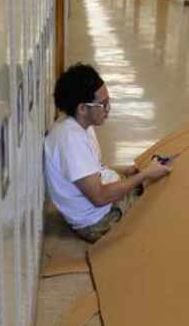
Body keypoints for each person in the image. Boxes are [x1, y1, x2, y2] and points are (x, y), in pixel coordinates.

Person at [44, 63, 172, 243]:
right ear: (82, 108)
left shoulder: (79, 124)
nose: (108, 109)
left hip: (104, 200)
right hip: (99, 220)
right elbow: (100, 197)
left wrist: (127, 172)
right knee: (165, 206)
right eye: (102, 104)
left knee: (161, 184)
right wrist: (144, 174)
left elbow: (89, 171)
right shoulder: (70, 141)